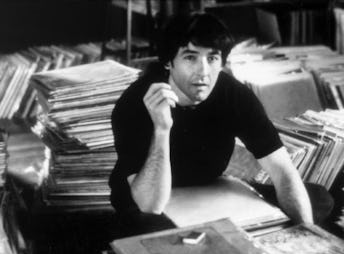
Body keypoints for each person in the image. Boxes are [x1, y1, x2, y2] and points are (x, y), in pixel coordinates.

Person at [109, 12, 317, 235]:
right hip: (146, 200)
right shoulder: (136, 102)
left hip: (210, 192)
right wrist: (162, 129)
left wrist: (307, 235)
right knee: (155, 230)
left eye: (212, 58)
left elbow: (282, 170)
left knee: (315, 196)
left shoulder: (234, 94)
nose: (203, 72)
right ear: (169, 62)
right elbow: (150, 204)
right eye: (190, 57)